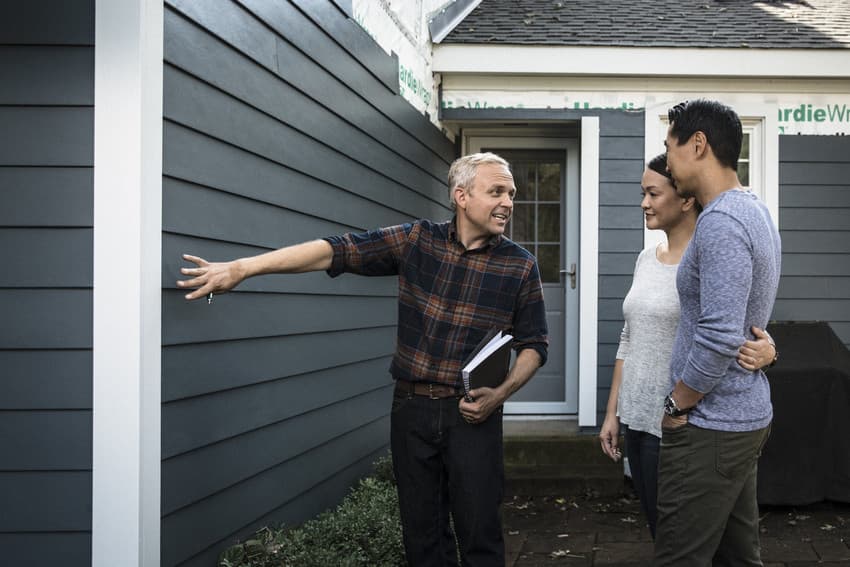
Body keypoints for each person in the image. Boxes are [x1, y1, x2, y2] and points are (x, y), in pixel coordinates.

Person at [176, 152, 548, 566]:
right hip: (412, 411)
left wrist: (500, 394)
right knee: (423, 541)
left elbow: (534, 345)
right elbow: (333, 251)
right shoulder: (415, 241)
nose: (508, 203)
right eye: (496, 191)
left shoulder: (520, 265)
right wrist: (244, 268)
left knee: (481, 538)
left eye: (511, 194)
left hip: (474, 416)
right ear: (461, 196)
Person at [598, 154, 777, 540]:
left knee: (689, 544)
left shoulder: (711, 255)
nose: (644, 203)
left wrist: (770, 351)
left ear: (685, 199)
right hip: (638, 418)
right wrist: (613, 412)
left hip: (682, 422)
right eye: (642, 193)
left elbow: (736, 327)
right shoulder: (645, 259)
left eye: (652, 193)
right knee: (661, 534)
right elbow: (629, 337)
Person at [653, 100, 781, 566]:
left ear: (699, 144)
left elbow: (722, 333)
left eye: (670, 147)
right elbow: (747, 317)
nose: (667, 160)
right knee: (737, 558)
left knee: (679, 558)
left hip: (710, 424)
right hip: (739, 419)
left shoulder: (722, 222)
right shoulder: (753, 211)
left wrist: (677, 403)